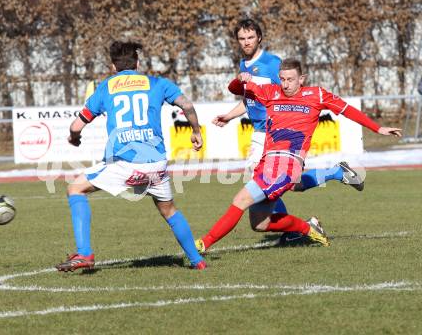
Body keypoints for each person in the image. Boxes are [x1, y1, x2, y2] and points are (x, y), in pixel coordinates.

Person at [196, 58, 401, 251]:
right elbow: (234, 89)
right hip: (267, 162)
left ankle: (202, 245)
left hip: (287, 164)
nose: (285, 84)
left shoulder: (317, 95)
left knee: (240, 199)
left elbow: (347, 110)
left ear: (302, 79)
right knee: (260, 224)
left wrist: (377, 128)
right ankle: (309, 227)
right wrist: (240, 79)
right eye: (282, 79)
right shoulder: (270, 92)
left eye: (291, 80)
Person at [195, 19, 363, 252]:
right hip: (259, 132)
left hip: (272, 134)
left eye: (250, 38)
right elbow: (252, 98)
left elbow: (288, 93)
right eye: (242, 39)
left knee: (264, 187)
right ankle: (334, 174)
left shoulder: (272, 63)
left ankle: (295, 229)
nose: (246, 42)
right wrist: (231, 115)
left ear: (259, 38)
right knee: (288, 184)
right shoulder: (245, 64)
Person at [56, 41, 206, 271]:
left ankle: (85, 253)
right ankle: (198, 261)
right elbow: (186, 104)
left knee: (75, 188)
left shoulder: (106, 87)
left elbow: (77, 126)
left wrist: (73, 137)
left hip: (126, 164)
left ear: (113, 66)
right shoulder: (156, 83)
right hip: (156, 163)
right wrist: (196, 132)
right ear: (137, 63)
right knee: (169, 210)